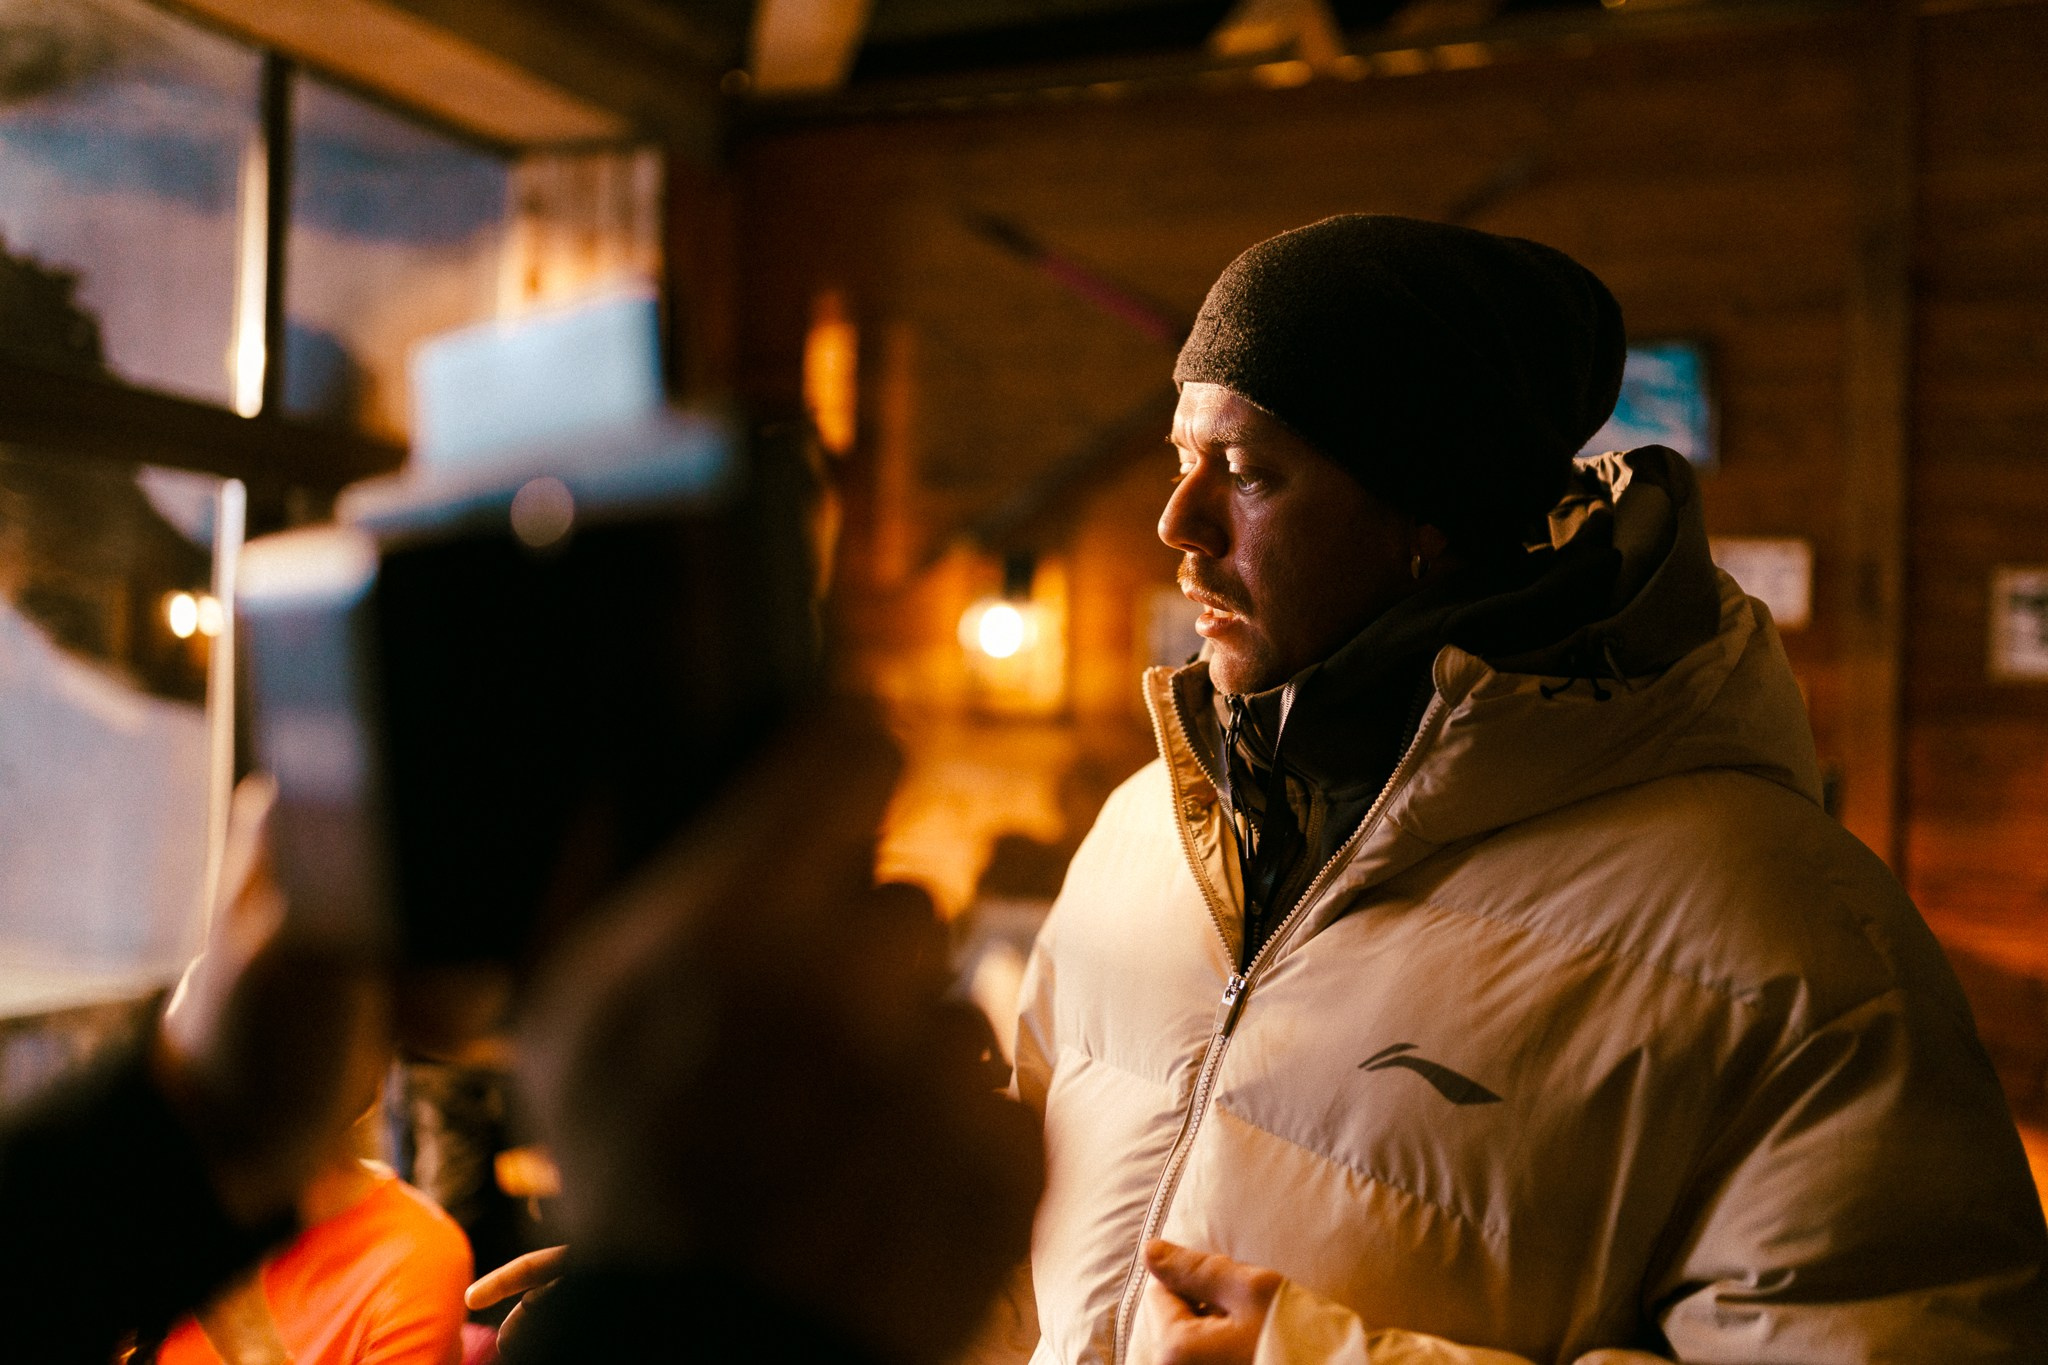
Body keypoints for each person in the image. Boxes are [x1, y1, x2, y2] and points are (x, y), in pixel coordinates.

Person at [1009, 214, 2048, 1364]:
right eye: (1180, 460)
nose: (1176, 524)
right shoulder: (1142, 829)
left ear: (1429, 519)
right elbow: (1004, 1247)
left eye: (1248, 473)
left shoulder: (1785, 937)